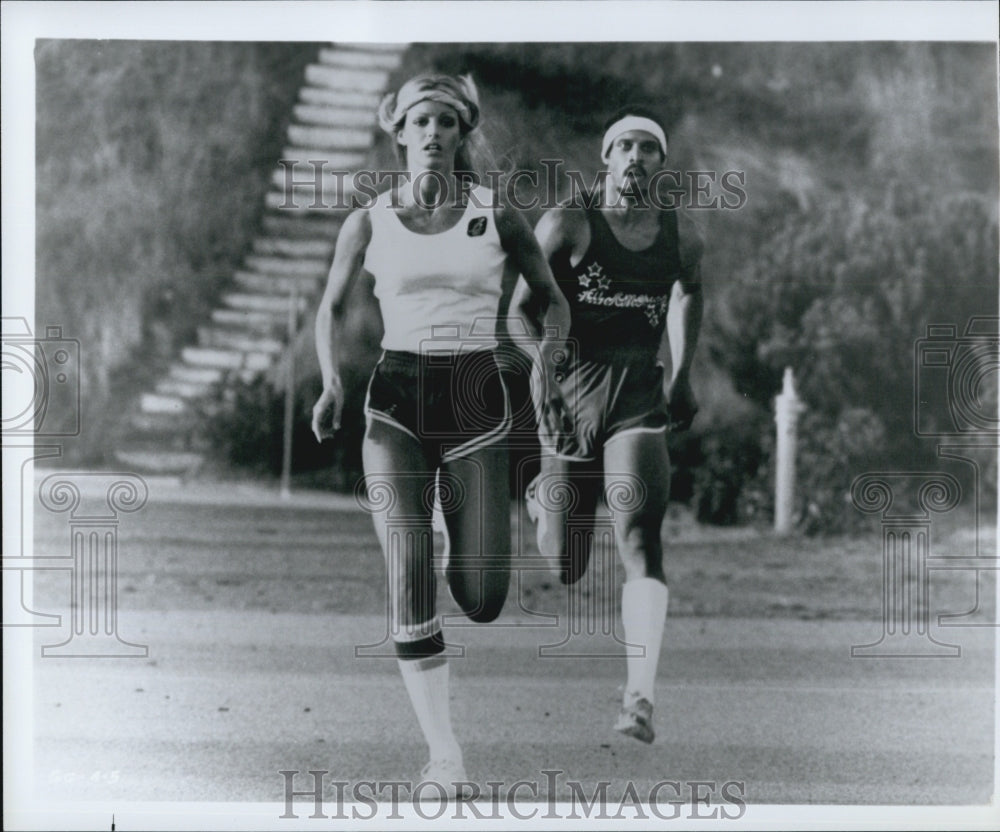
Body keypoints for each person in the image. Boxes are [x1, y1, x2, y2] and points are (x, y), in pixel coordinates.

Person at [311, 73, 569, 796]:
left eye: (446, 124)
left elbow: (550, 302)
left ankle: (460, 533)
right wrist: (333, 381)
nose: (432, 134)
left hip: (476, 401)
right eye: (419, 122)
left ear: (461, 134)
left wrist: (545, 363)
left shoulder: (497, 215)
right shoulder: (369, 220)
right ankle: (444, 757)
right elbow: (329, 311)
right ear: (399, 131)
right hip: (394, 405)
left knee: (483, 597)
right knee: (408, 576)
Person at [509, 105, 704, 745]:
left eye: (650, 148)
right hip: (568, 393)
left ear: (661, 164)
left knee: (641, 538)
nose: (637, 158)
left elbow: (690, 289)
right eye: (626, 147)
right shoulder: (568, 223)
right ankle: (543, 497)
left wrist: (681, 374)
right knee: (565, 564)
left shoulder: (680, 235)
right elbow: (518, 314)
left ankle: (639, 699)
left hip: (637, 401)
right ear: (607, 157)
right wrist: (543, 377)